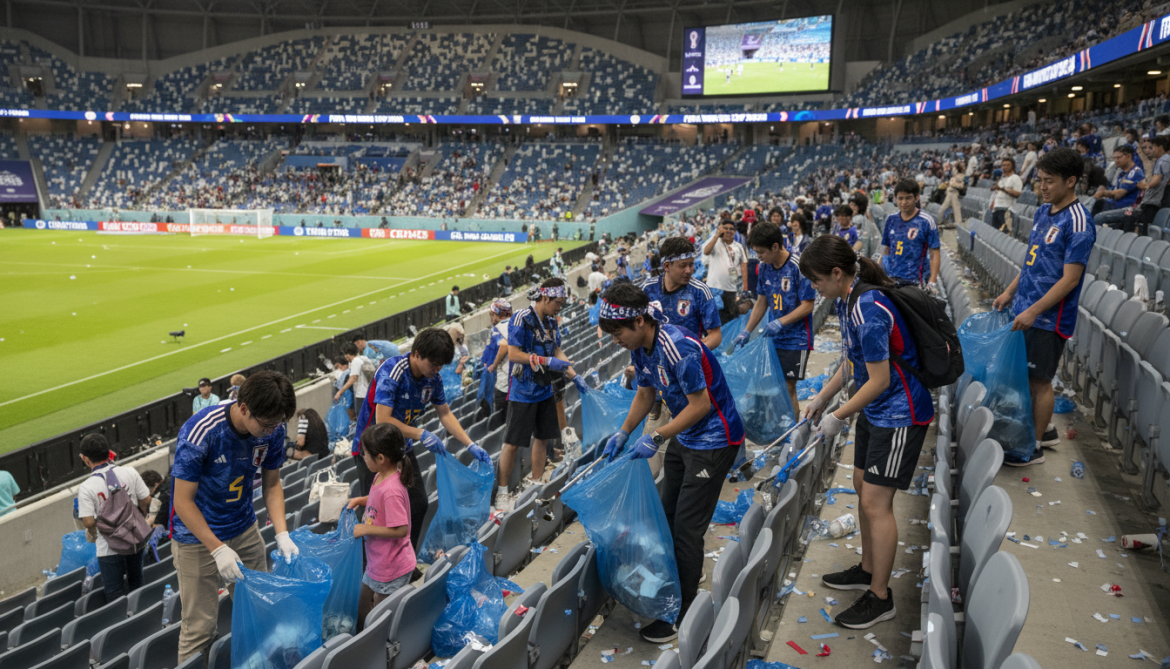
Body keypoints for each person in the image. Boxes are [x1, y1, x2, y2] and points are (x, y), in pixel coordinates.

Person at [798, 234, 934, 629]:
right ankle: (868, 567)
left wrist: (838, 416)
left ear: (836, 273)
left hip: (900, 414)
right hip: (877, 410)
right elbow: (853, 363)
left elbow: (879, 379)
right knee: (861, 484)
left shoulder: (868, 308)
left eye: (816, 280)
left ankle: (880, 596)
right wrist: (823, 398)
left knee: (876, 502)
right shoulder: (848, 301)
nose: (814, 288)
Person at [597, 282, 745, 643]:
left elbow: (701, 405)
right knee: (667, 515)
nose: (616, 340)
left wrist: (658, 436)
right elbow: (646, 393)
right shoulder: (641, 348)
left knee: (687, 529)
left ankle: (684, 613)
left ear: (640, 322)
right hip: (685, 435)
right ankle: (679, 582)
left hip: (714, 439)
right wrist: (624, 432)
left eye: (618, 332)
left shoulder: (678, 347)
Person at [171, 371, 299, 662]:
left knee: (261, 608)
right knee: (200, 629)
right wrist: (217, 549)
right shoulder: (202, 430)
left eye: (277, 424)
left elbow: (272, 485)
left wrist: (282, 534)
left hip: (243, 525)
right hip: (195, 537)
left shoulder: (274, 430)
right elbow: (182, 501)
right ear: (243, 408)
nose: (271, 431)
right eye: (266, 424)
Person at [992, 147, 1096, 466]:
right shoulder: (1042, 212)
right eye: (1040, 180)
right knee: (1024, 378)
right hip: (1025, 308)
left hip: (1049, 318)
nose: (1042, 186)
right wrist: (1010, 292)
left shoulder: (1079, 222)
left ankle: (1033, 447)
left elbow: (1070, 279)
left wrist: (1035, 310)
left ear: (1071, 181)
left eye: (1049, 181)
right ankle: (1045, 431)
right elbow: (1031, 261)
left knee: (1039, 381)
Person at [355, 328, 489, 553]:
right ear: (417, 354)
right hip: (374, 450)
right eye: (433, 364)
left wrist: (470, 444)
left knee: (418, 503)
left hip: (401, 447)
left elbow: (445, 413)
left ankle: (406, 556)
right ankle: (374, 565)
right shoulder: (393, 370)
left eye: (441, 365)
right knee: (377, 514)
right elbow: (383, 420)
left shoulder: (433, 380)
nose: (437, 370)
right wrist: (421, 434)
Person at [500, 278, 589, 506]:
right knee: (512, 443)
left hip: (545, 388)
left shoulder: (551, 322)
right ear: (545, 298)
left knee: (542, 438)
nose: (559, 308)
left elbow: (556, 349)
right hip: (523, 391)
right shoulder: (521, 318)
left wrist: (573, 374)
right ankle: (502, 493)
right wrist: (545, 360)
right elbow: (514, 354)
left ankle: (536, 483)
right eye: (557, 303)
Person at [735, 221, 816, 413]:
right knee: (772, 387)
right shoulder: (764, 267)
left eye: (761, 252)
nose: (758, 256)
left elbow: (808, 305)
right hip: (773, 337)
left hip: (796, 339)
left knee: (788, 387)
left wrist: (781, 321)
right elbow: (762, 302)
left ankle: (792, 429)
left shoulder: (798, 267)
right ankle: (777, 426)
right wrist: (747, 331)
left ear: (775, 247)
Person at [346, 423, 415, 627]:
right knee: (362, 604)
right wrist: (361, 500)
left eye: (365, 454)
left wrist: (366, 529)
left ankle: (380, 642)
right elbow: (377, 501)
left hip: (391, 566)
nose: (362, 457)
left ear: (381, 458)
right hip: (377, 561)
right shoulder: (380, 476)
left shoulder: (392, 490)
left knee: (380, 618)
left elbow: (401, 529)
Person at [76, 433, 152, 600]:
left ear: (85, 459)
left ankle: (121, 617)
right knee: (137, 583)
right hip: (134, 538)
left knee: (114, 592)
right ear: (108, 451)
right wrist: (141, 514)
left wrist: (99, 529)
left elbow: (88, 521)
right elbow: (146, 499)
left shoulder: (86, 487)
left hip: (108, 548)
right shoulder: (129, 472)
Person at [641, 237, 723, 350]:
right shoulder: (648, 289)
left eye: (691, 264)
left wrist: (688, 352)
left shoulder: (699, 292)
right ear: (667, 266)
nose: (688, 270)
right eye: (682, 265)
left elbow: (715, 336)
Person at [881, 178, 940, 292]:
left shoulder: (926, 221)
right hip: (892, 280)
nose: (904, 202)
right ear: (895, 199)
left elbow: (935, 253)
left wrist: (932, 281)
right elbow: (887, 249)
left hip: (916, 283)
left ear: (916, 198)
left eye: (908, 198)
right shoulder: (891, 220)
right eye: (900, 198)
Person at [702, 219, 748, 324]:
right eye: (725, 228)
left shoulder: (738, 246)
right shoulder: (715, 243)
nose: (728, 231)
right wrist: (717, 235)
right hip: (715, 289)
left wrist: (745, 288)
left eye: (731, 229)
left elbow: (743, 266)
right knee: (715, 320)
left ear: (735, 231)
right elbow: (706, 251)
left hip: (732, 289)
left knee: (731, 320)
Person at [480, 299, 513, 429]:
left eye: (492, 314)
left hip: (504, 385)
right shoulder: (518, 324)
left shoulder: (497, 329)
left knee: (503, 425)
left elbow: (503, 346)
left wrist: (493, 365)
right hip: (518, 383)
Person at [1091, 145, 1143, 217]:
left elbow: (1118, 194)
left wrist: (1103, 193)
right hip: (1115, 206)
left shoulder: (1135, 172)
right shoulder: (1122, 173)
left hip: (1127, 210)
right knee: (1096, 204)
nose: (1116, 161)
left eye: (1118, 157)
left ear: (1128, 156)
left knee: (1098, 217)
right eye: (1114, 158)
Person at [339, 343, 373, 421]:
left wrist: (340, 392)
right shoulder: (363, 358)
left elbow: (353, 378)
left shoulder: (355, 361)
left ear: (347, 355)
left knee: (362, 418)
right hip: (368, 392)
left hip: (361, 394)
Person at [991, 158, 1023, 234]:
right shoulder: (1002, 179)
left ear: (1012, 166)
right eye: (1003, 165)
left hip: (1006, 210)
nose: (1004, 167)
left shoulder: (1016, 178)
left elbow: (1018, 193)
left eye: (1007, 165)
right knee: (996, 233)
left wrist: (1003, 189)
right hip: (996, 209)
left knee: (1005, 233)